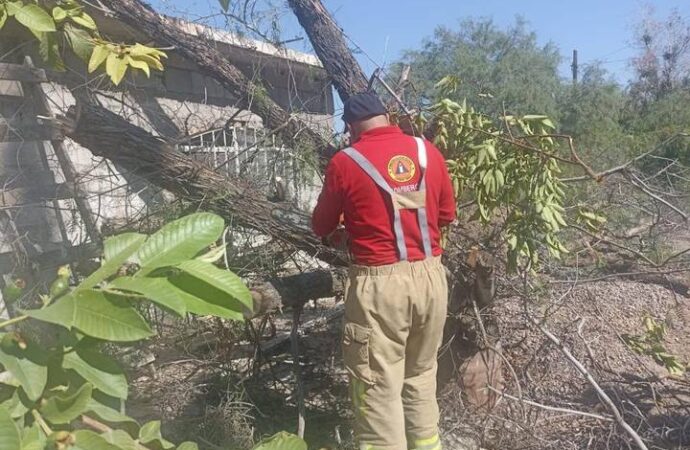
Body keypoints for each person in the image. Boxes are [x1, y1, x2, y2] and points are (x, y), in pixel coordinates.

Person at [312, 92, 456, 450]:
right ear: (388, 117)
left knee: (376, 386)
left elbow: (321, 225)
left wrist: (352, 227)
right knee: (422, 375)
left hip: (379, 286)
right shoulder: (428, 153)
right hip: (431, 279)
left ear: (350, 128)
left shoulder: (345, 161)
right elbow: (446, 216)